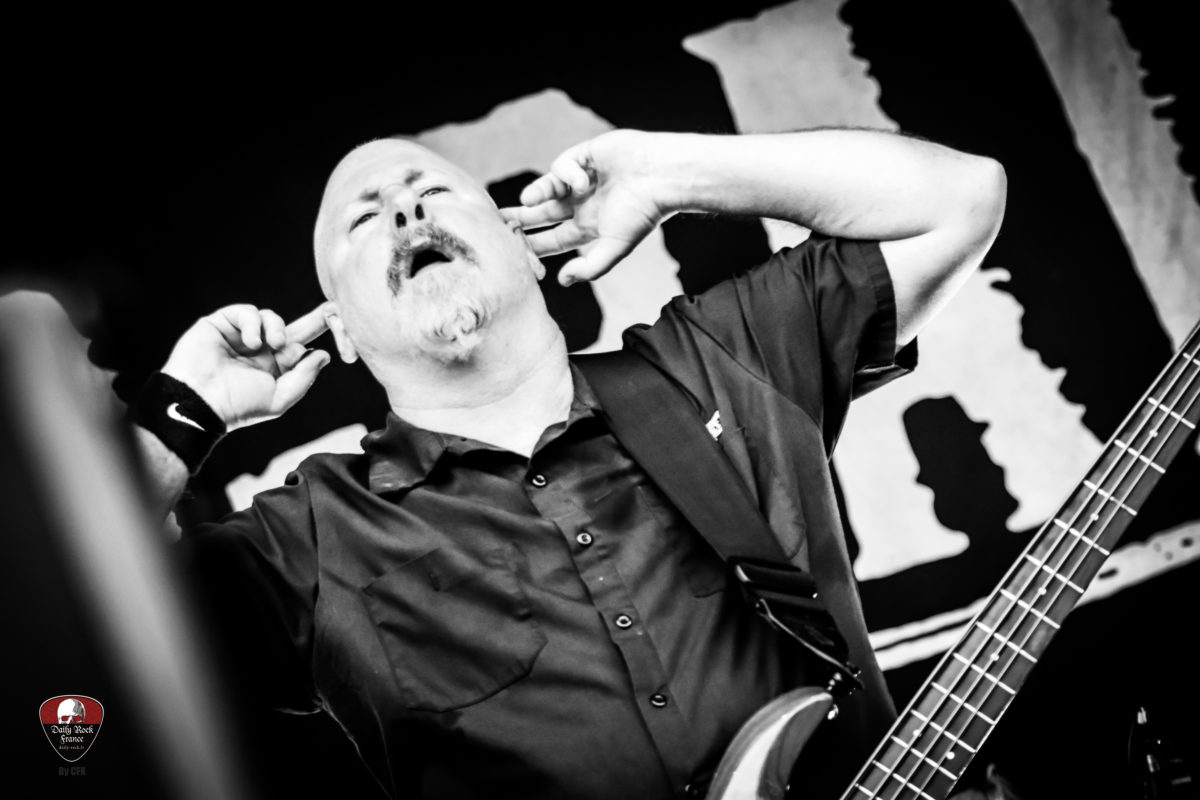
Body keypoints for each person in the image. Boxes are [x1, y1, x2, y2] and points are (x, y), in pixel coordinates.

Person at [129, 128, 1006, 799]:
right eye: (365, 219)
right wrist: (186, 411)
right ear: (343, 333)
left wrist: (668, 175)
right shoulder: (310, 541)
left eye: (432, 191)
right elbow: (71, 654)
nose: (405, 214)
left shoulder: (720, 361)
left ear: (525, 243)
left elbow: (961, 198)